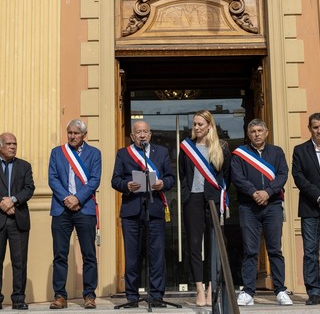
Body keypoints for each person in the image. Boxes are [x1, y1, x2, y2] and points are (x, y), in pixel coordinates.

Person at [111, 121, 175, 308]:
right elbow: (115, 180)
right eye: (138, 132)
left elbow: (171, 177)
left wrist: (163, 183)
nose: (142, 135)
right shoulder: (123, 154)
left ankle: (156, 295)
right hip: (131, 211)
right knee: (132, 256)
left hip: (154, 211)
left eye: (145, 132)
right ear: (132, 136)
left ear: (150, 134)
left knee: (156, 255)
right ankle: (132, 296)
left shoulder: (161, 152)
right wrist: (126, 186)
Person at [231, 118, 293, 306]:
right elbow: (237, 177)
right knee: (250, 250)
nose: (257, 134)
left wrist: (268, 192)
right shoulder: (240, 155)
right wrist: (253, 192)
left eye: (260, 130)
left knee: (274, 249)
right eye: (253, 131)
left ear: (266, 132)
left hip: (272, 205)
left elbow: (283, 174)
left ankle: (280, 290)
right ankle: (248, 292)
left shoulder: (276, 152)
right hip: (248, 207)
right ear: (248, 135)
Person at [179, 110, 231, 307]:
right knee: (194, 244)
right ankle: (199, 289)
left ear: (210, 125)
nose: (197, 127)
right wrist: (186, 193)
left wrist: (220, 196)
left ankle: (211, 288)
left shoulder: (222, 147)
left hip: (213, 200)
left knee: (214, 245)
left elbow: (227, 175)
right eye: (195, 124)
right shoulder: (186, 147)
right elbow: (182, 173)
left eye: (201, 124)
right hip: (192, 199)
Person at [48, 119, 101, 310]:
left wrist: (77, 198)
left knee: (89, 254)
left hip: (84, 208)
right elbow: (52, 179)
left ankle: (89, 295)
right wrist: (67, 199)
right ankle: (60, 295)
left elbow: (94, 180)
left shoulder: (94, 154)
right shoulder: (57, 152)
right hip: (61, 209)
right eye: (69, 132)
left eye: (76, 133)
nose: (72, 136)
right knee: (60, 254)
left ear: (84, 135)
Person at [0, 133, 35, 310]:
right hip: (0, 218)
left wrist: (12, 200)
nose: (12, 146)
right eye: (8, 143)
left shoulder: (24, 166)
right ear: (0, 146)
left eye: (15, 143)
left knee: (20, 261)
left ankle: (19, 298)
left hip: (18, 219)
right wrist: (2, 203)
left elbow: (29, 188)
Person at [292, 113, 320, 305]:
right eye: (316, 127)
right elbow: (298, 176)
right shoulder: (300, 150)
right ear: (309, 128)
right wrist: (318, 195)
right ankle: (314, 291)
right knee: (310, 251)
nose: (319, 130)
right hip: (311, 207)